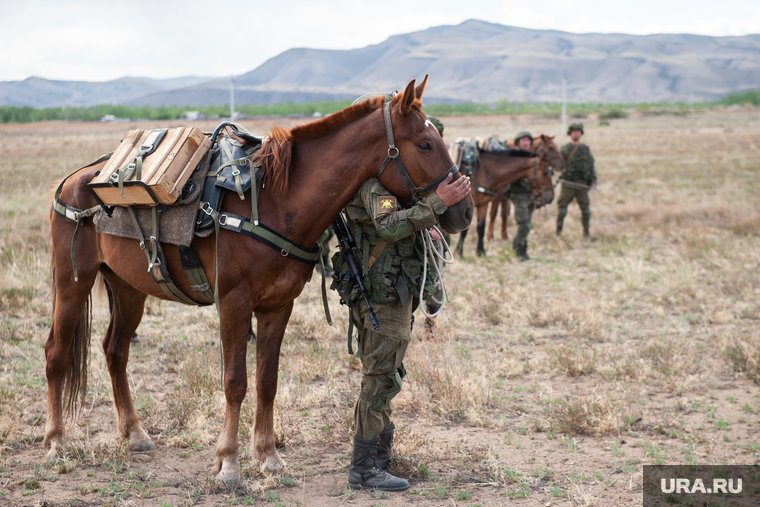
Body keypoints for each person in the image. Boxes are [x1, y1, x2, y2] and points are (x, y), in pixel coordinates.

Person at [332, 133, 471, 492]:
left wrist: (432, 220)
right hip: (382, 294)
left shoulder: (391, 185)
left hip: (395, 291)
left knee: (389, 375)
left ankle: (380, 456)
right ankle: (363, 470)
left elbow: (403, 223)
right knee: (379, 377)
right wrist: (438, 202)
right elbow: (389, 226)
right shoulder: (371, 185)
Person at [423, 117, 450, 334]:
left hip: (436, 228)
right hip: (420, 224)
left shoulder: (444, 162)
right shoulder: (417, 160)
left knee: (435, 277)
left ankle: (431, 322)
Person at [557, 123, 597, 238]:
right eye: (574, 132)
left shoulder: (585, 149)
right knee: (562, 210)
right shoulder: (565, 149)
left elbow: (591, 166)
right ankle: (558, 233)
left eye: (578, 132)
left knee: (586, 211)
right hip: (568, 184)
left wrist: (593, 181)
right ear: (570, 134)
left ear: (581, 134)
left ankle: (586, 233)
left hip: (582, 185)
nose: (576, 134)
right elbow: (558, 165)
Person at [507, 131, 536, 261]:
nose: (526, 142)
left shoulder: (533, 157)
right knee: (524, 224)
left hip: (530, 196)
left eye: (528, 140)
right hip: (518, 195)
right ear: (518, 142)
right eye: (523, 140)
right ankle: (517, 249)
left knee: (528, 224)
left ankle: (524, 251)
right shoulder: (514, 158)